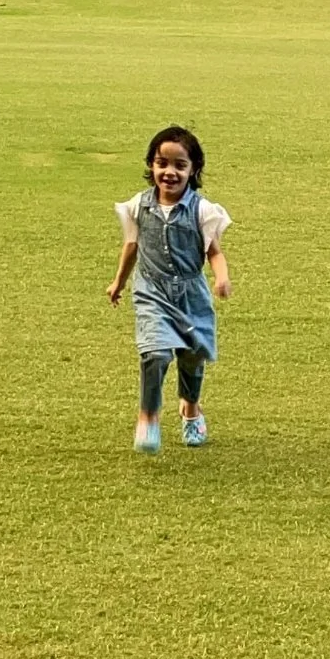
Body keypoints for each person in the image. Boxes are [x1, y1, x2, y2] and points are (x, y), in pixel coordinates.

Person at [108, 125, 232, 452]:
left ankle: (191, 410)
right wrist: (119, 281)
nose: (170, 172)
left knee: (192, 358)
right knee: (155, 353)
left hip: (191, 295)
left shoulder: (203, 211)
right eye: (162, 163)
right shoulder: (138, 206)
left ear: (193, 170)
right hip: (152, 292)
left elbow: (214, 252)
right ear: (151, 165)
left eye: (180, 165)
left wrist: (221, 277)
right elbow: (131, 246)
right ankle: (148, 417)